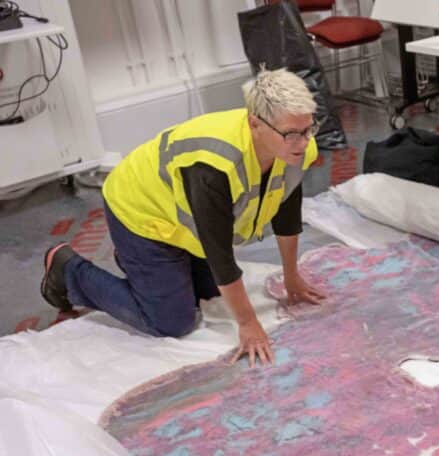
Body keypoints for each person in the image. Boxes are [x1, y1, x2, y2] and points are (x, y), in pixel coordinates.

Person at [40, 67, 326, 366]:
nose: (304, 143)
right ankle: (69, 271)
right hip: (142, 211)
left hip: (183, 220)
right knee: (174, 322)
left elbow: (286, 215)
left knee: (212, 293)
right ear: (255, 124)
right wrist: (248, 325)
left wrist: (292, 278)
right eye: (292, 134)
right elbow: (219, 255)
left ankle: (141, 266)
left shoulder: (295, 149)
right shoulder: (214, 165)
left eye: (308, 129)